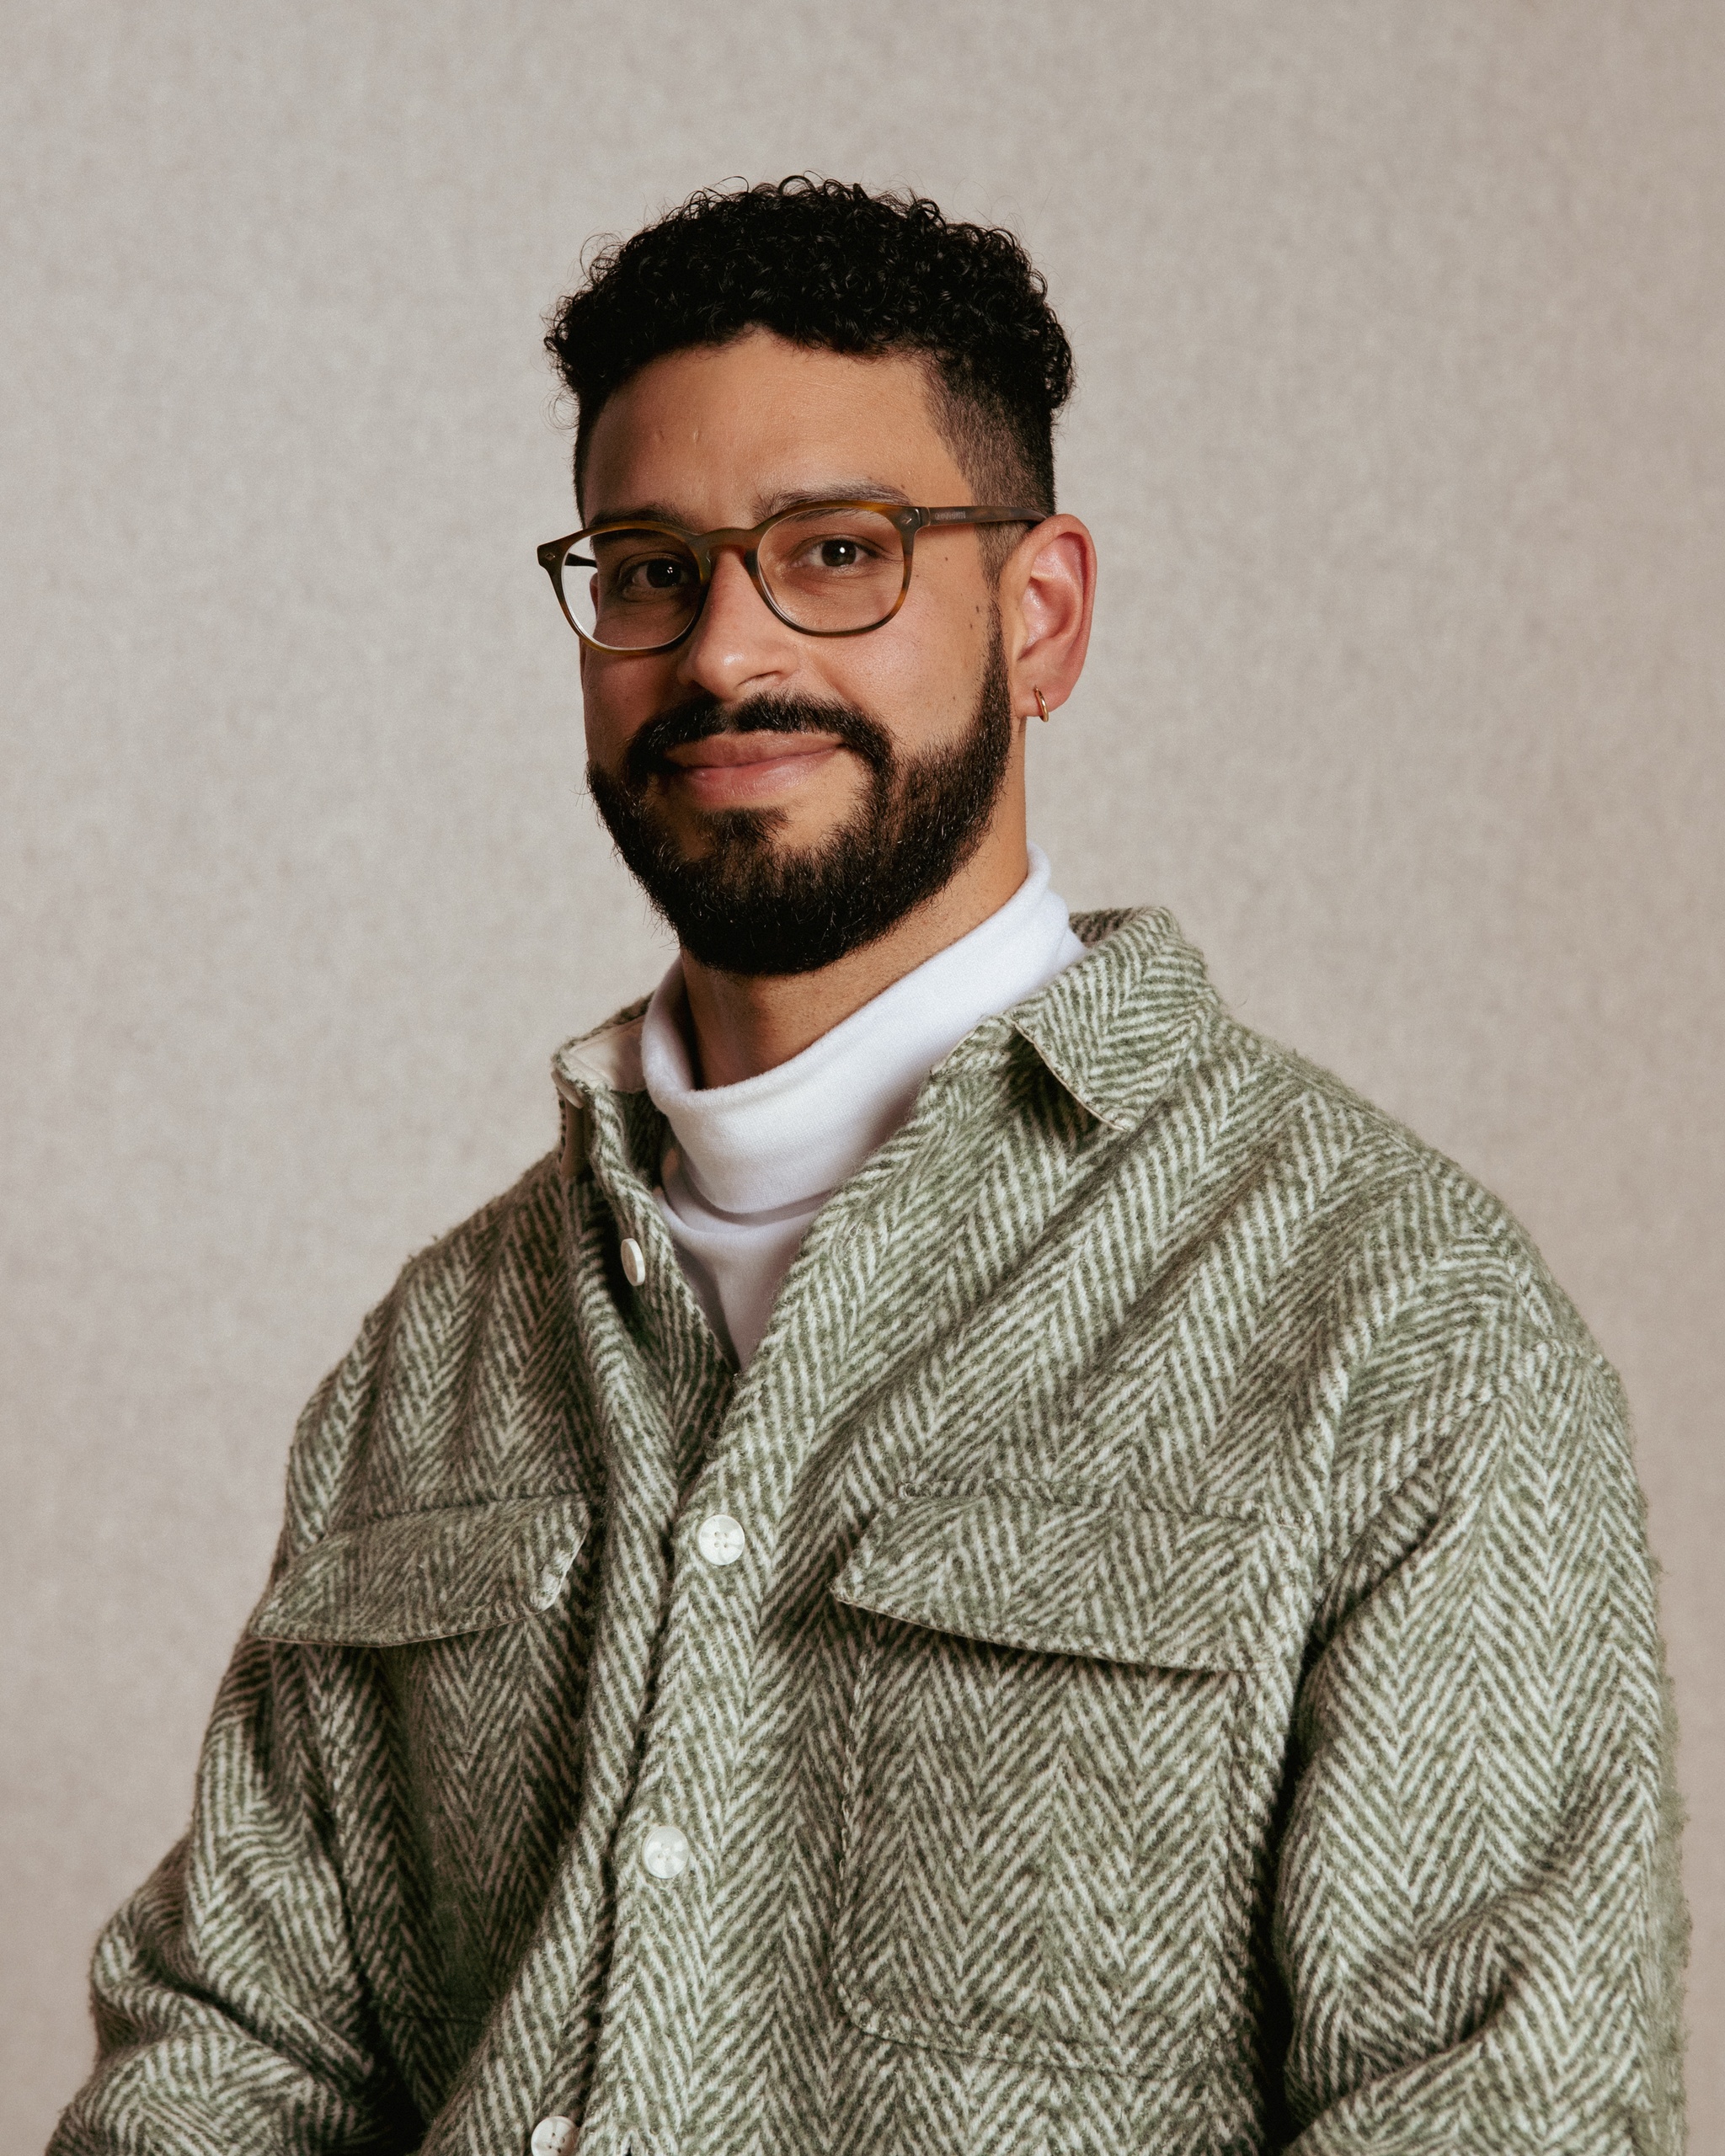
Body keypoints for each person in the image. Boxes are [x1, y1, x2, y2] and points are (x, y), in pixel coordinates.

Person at [52, 178, 1685, 2156]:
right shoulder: (437, 1355)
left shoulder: (1394, 1327)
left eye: (837, 551)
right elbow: (233, 2052)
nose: (725, 649)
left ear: (1040, 611)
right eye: (649, 568)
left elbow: (1493, 2114)